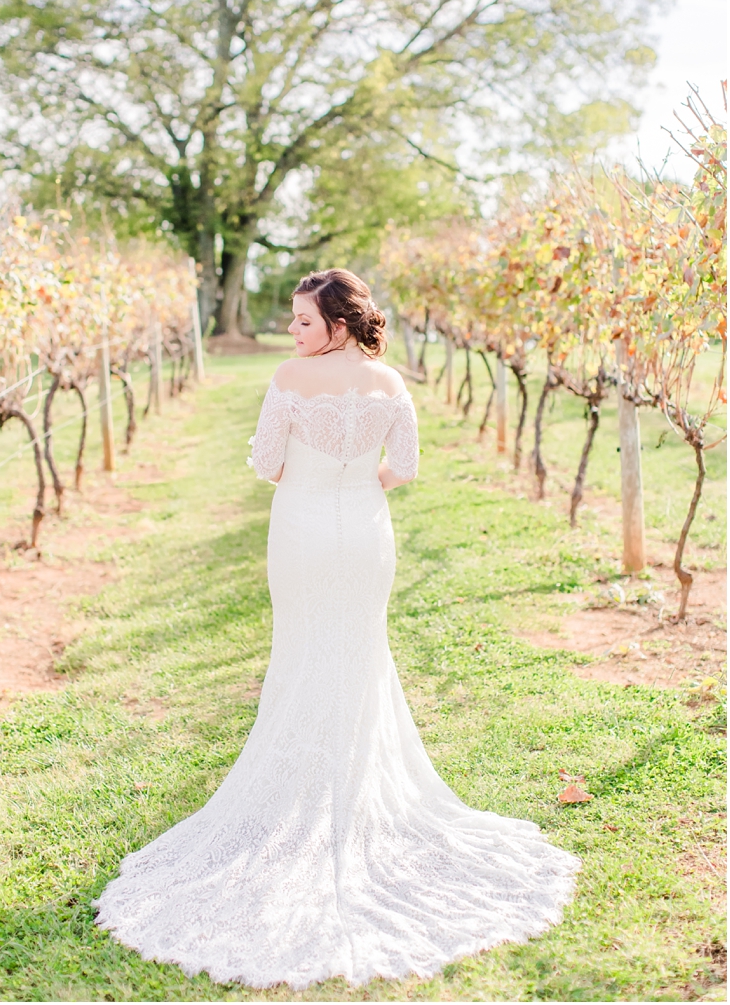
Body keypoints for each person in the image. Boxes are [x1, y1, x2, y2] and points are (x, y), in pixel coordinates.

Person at [93, 268, 580, 990]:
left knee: (301, 653)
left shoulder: (290, 379)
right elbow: (404, 467)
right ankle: (348, 791)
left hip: (301, 529)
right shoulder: (391, 382)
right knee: (359, 656)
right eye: (292, 320)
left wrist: (311, 480)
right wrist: (355, 484)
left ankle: (303, 794)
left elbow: (267, 463)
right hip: (367, 536)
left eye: (302, 320)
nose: (291, 331)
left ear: (339, 324)